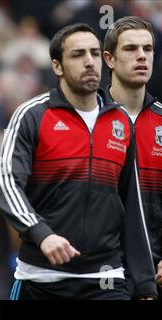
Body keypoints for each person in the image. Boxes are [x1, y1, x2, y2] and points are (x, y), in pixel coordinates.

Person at [0, 23, 157, 300]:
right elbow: (8, 184)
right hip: (41, 279)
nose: (89, 62)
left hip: (107, 280)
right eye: (77, 55)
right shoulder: (32, 115)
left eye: (95, 53)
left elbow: (132, 207)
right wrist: (41, 233)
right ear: (57, 66)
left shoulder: (120, 122)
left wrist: (144, 284)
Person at [103, 16, 162, 296]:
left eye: (147, 49)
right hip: (103, 270)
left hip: (157, 269)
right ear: (109, 59)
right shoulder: (89, 121)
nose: (141, 56)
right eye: (130, 49)